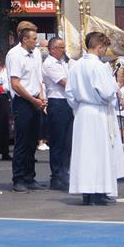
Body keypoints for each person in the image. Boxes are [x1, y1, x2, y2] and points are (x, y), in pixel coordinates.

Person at [65, 32, 124, 205]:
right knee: (100, 152)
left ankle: (88, 192)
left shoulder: (75, 66)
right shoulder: (99, 67)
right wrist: (116, 87)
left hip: (83, 112)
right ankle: (98, 190)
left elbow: (69, 93)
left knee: (85, 153)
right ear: (99, 47)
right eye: (104, 48)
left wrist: (78, 106)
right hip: (98, 112)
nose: (104, 52)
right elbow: (106, 92)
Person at [6, 24, 47, 192]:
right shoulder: (15, 55)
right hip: (23, 100)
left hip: (35, 98)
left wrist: (41, 96)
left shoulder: (35, 53)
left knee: (32, 140)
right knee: (22, 141)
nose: (36, 42)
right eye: (34, 39)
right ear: (24, 39)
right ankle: (18, 178)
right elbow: (15, 84)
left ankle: (30, 176)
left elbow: (38, 77)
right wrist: (32, 99)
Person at [41, 38, 72, 190]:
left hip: (67, 102)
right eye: (61, 47)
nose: (63, 50)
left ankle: (64, 173)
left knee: (67, 141)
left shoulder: (64, 62)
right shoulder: (50, 64)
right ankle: (56, 176)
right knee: (58, 141)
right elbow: (64, 82)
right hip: (57, 102)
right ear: (52, 49)